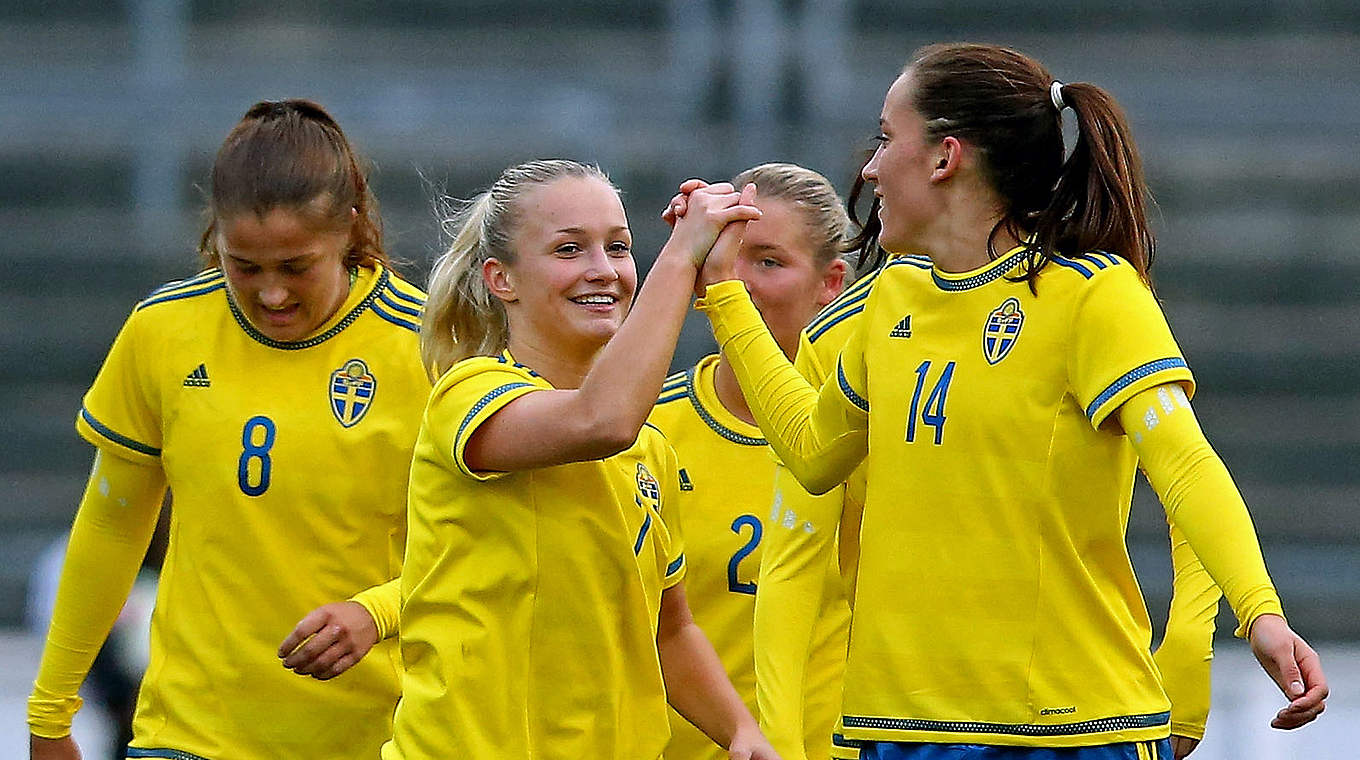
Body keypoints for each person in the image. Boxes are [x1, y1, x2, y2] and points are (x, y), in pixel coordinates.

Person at [686, 42, 1326, 759]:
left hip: (1064, 730)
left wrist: (1259, 614)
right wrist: (726, 299)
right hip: (897, 730)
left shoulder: (1091, 293)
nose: (868, 168)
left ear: (944, 157)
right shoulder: (890, 299)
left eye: (886, 138)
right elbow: (809, 455)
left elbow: (1185, 466)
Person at [27, 99, 430, 760]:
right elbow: (111, 525)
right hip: (187, 737)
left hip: (378, 739)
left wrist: (378, 611)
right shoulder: (164, 331)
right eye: (245, 266)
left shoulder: (426, 345)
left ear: (350, 230)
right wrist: (50, 711)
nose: (271, 293)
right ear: (215, 234)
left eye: (296, 266)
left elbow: (479, 549)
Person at [381, 159, 778, 760]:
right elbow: (599, 421)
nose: (605, 271)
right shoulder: (469, 394)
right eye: (569, 249)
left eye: (619, 248)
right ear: (501, 279)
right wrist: (680, 260)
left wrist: (742, 732)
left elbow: (670, 630)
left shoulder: (652, 450)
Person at [649, 162, 852, 760]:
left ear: (831, 282)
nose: (734, 281)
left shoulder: (868, 436)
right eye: (726, 255)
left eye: (767, 261)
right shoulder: (646, 427)